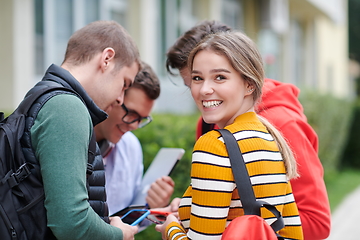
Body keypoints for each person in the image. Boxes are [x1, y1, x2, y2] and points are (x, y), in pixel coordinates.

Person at [165, 20, 331, 240]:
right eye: (196, 79)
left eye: (220, 77)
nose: (203, 91)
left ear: (249, 83)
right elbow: (290, 231)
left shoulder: (219, 142)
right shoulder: (273, 136)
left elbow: (317, 222)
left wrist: (171, 229)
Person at [22, 20, 141, 240]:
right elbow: (71, 223)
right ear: (106, 59)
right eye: (124, 84)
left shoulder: (42, 95)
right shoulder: (66, 107)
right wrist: (120, 235)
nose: (119, 98)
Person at [94, 61, 175, 216]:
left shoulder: (130, 145)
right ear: (115, 96)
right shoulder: (72, 142)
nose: (134, 126)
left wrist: (151, 207)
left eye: (142, 119)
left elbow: (129, 219)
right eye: (131, 114)